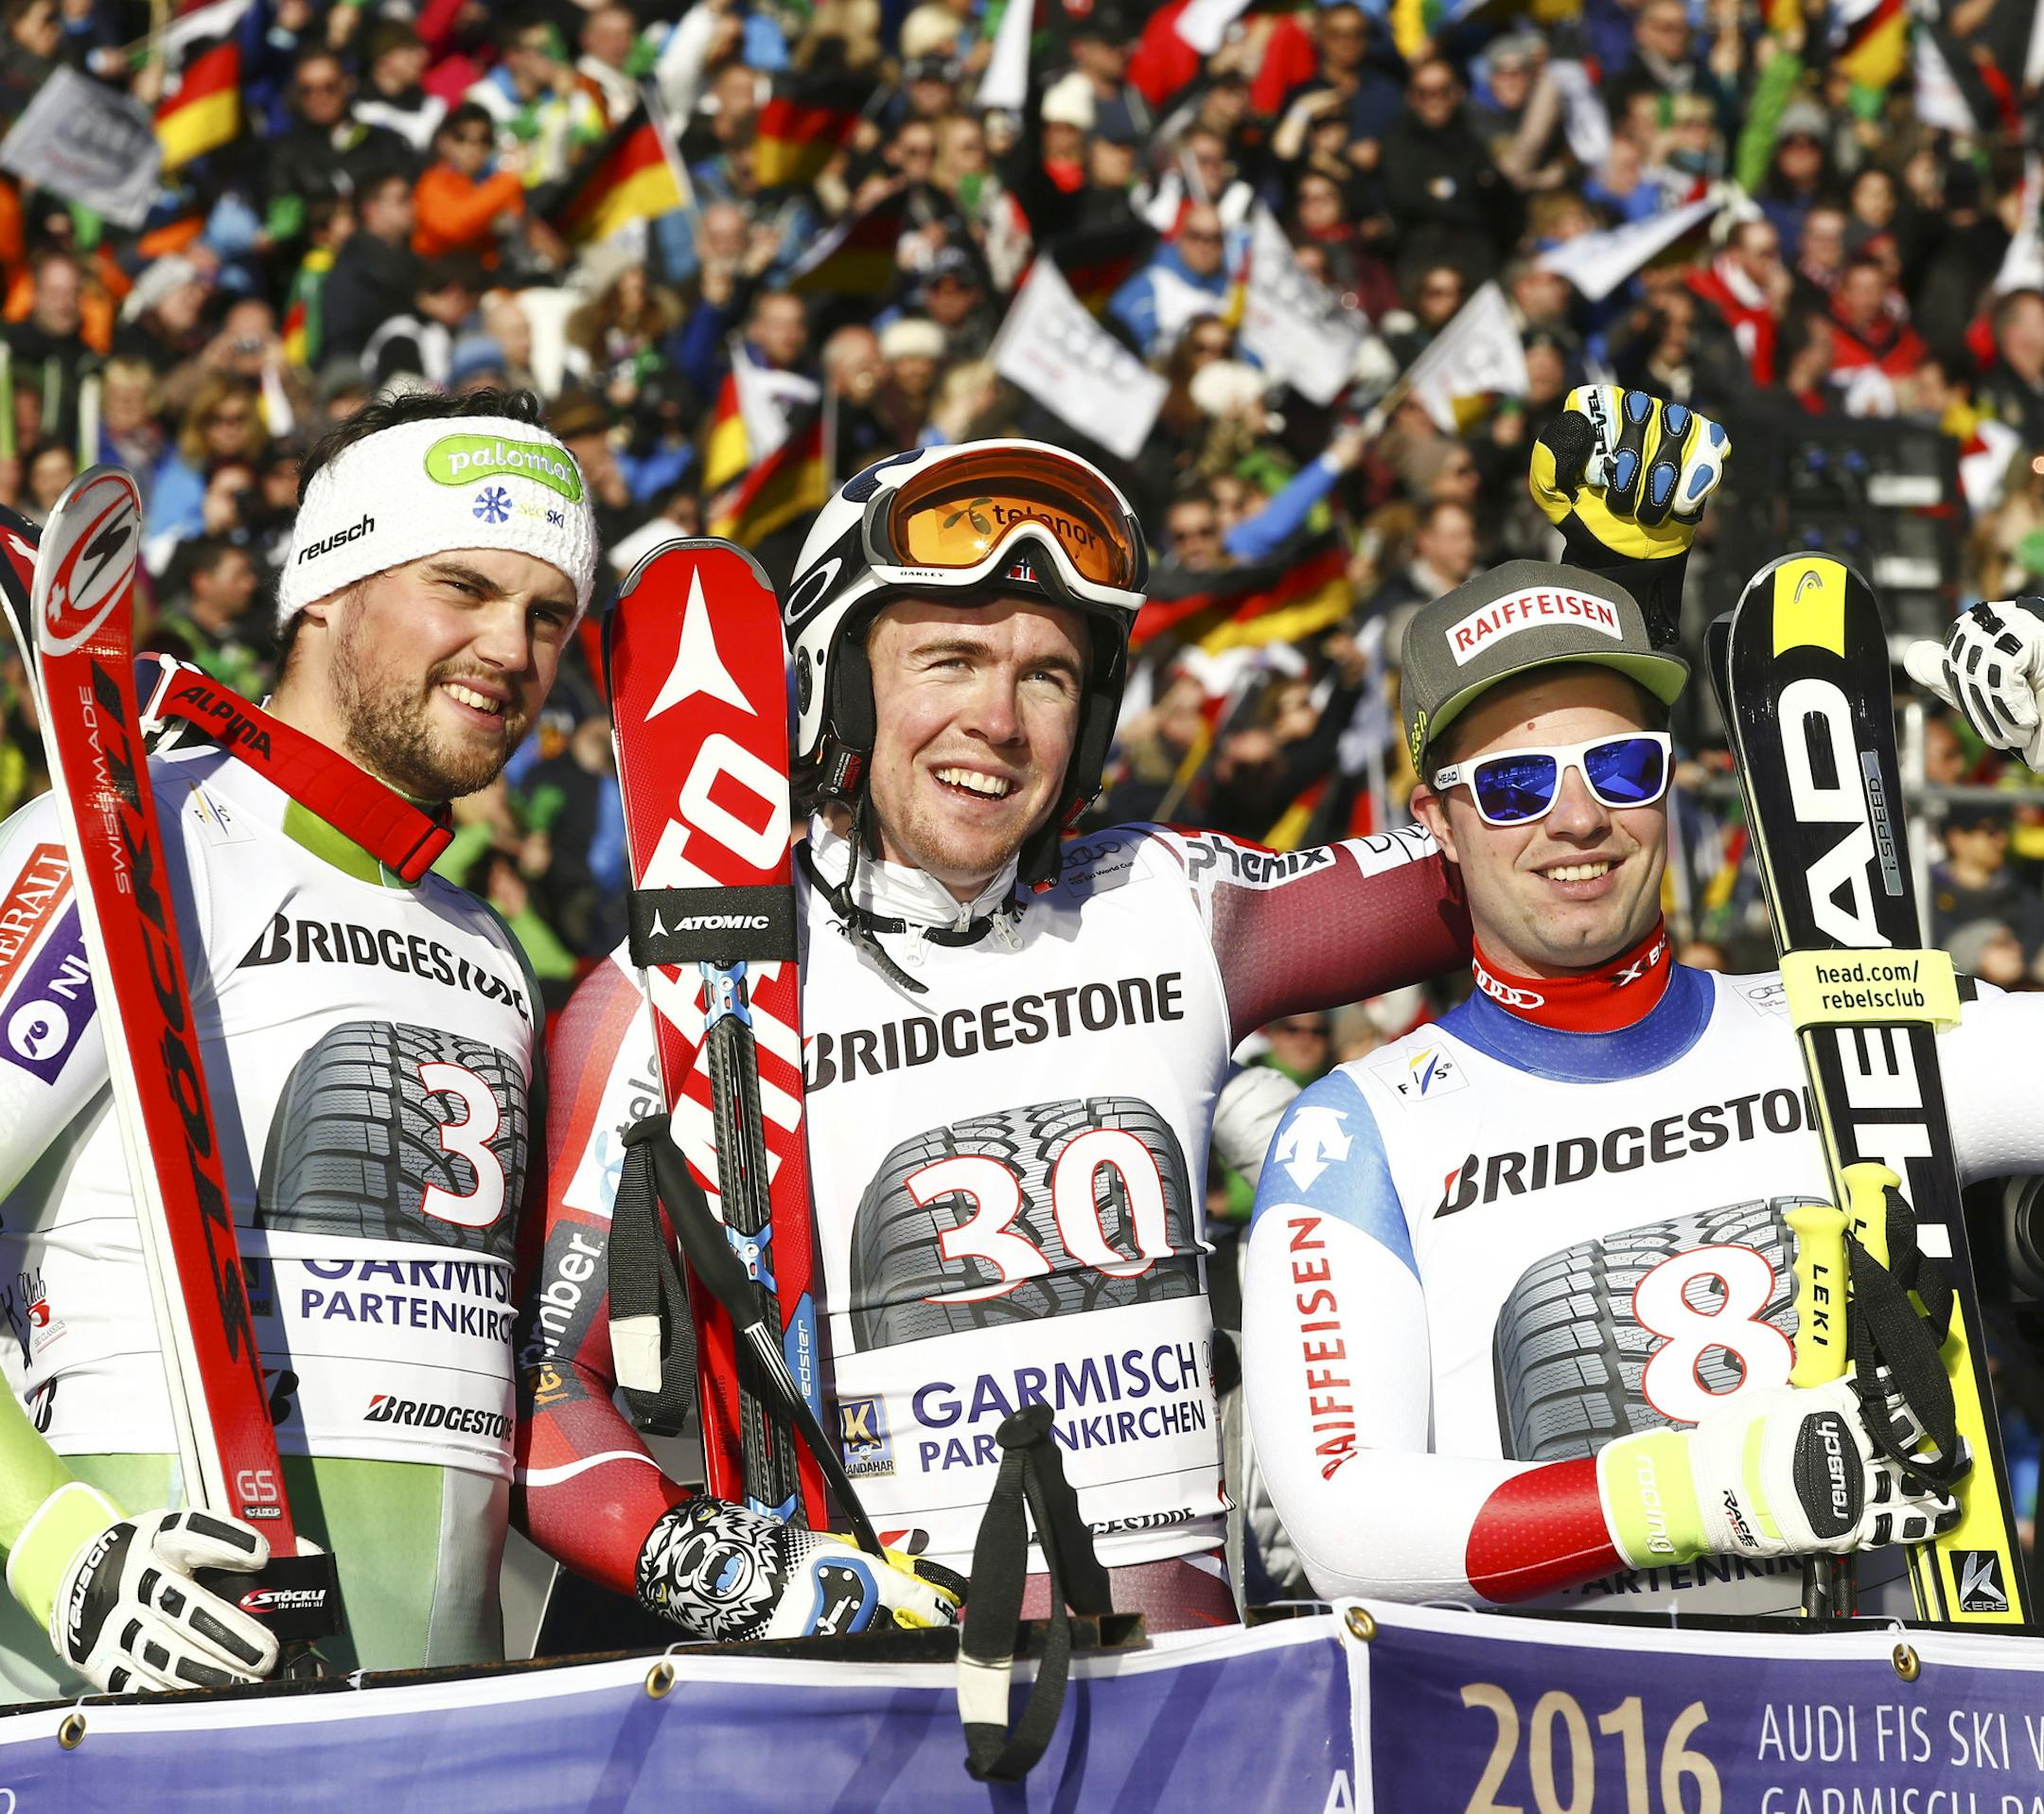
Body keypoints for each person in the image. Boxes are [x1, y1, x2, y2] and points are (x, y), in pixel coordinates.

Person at [517, 437, 1489, 1643]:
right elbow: (541, 1392)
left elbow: (1525, 867)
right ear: (839, 684)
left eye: (1048, 677)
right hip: (863, 1725)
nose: (999, 719)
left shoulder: (1167, 902)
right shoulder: (674, 990)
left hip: (1197, 1723)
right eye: (950, 659)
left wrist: (1611, 595)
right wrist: (699, 1560)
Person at [1240, 396, 2044, 1620]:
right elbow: (1347, 1520)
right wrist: (1730, 1486)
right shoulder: (1359, 1130)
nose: (1578, 819)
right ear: (1433, 823)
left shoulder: (1844, 1023)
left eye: (1623, 767)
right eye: (1510, 785)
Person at [0, 388, 597, 1699]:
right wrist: (65, 1550)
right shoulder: (128, 834)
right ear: (326, 586)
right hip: (130, 1686)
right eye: (465, 586)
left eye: (550, 615)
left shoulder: (490, 944)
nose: (514, 646)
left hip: (430, 1702)